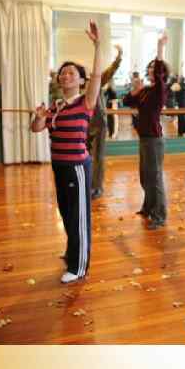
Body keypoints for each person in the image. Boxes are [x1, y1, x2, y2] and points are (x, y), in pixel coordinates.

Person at [30, 20, 102, 284]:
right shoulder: (56, 105)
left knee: (78, 216)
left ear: (81, 81)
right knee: (66, 213)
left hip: (76, 167)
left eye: (71, 73)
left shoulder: (85, 102)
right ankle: (73, 252)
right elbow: (36, 129)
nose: (65, 76)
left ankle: (79, 266)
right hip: (58, 166)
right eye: (63, 73)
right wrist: (39, 116)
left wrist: (98, 46)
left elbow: (97, 77)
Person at [122, 34, 170, 230]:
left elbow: (159, 72)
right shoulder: (146, 90)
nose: (151, 70)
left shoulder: (160, 89)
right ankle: (148, 207)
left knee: (154, 178)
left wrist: (159, 47)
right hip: (144, 139)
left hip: (154, 140)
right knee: (145, 176)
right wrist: (135, 90)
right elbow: (127, 101)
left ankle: (159, 215)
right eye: (149, 67)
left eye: (153, 68)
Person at [87, 44, 123, 199]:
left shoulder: (96, 82)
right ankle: (88, 184)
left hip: (97, 125)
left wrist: (119, 57)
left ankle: (96, 187)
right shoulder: (78, 88)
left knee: (98, 157)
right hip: (83, 126)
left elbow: (110, 71)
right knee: (86, 157)